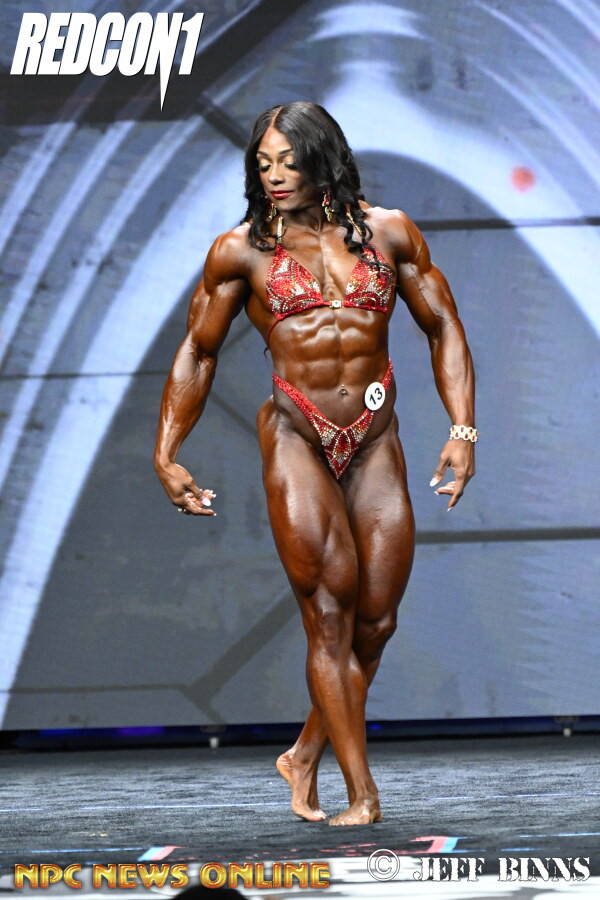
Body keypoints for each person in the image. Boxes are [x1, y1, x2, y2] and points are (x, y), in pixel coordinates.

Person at [154, 101, 476, 826]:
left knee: (376, 623)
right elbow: (199, 351)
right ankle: (361, 794)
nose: (274, 176)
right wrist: (166, 450)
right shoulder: (240, 251)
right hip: (297, 435)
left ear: (322, 159)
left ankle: (304, 753)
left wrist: (463, 429)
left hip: (374, 440)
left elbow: (444, 326)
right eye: (263, 163)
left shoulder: (389, 232)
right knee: (329, 615)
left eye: (288, 161)